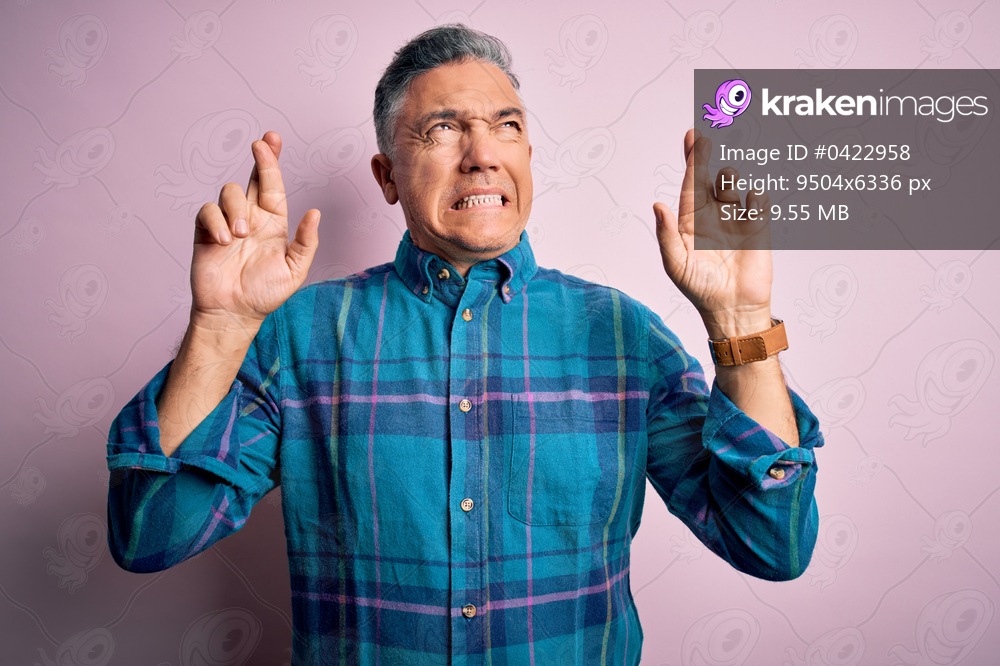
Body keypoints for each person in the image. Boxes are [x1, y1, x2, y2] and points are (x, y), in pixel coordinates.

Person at [107, 24, 822, 665]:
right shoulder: (300, 337)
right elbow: (149, 536)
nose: (482, 155)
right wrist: (220, 328)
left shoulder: (625, 336)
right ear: (387, 177)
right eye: (443, 129)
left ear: (528, 157)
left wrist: (743, 321)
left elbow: (772, 544)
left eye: (505, 126)